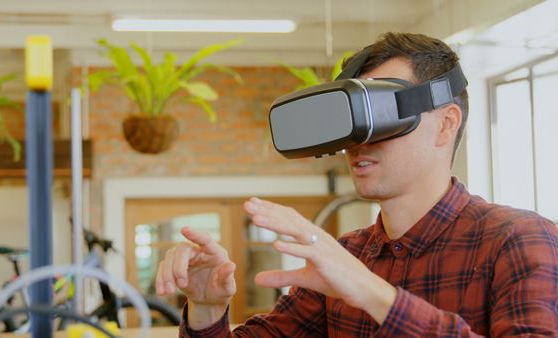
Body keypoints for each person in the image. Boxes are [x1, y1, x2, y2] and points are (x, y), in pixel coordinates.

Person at [154, 32, 558, 337]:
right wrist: (206, 308)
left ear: (446, 124)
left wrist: (371, 292)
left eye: (379, 113)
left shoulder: (518, 240)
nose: (357, 141)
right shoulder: (347, 255)